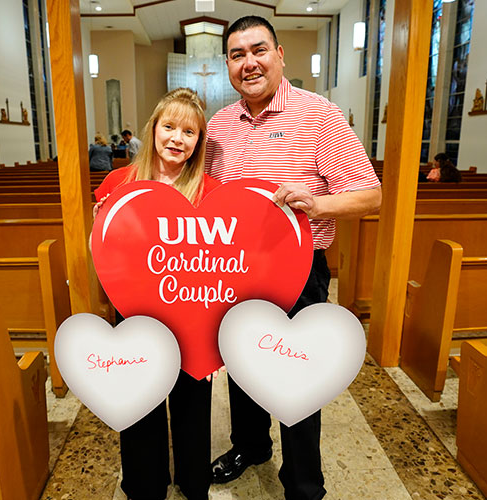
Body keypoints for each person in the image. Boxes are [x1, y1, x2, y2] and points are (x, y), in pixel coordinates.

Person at [204, 16, 382, 500]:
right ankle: (250, 446)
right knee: (240, 363)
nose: (249, 62)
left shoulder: (318, 115)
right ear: (227, 65)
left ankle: (304, 482)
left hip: (299, 268)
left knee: (295, 370)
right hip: (234, 269)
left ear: (280, 54)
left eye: (258, 50)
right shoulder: (219, 124)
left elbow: (370, 195)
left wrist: (318, 203)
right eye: (238, 55)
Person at [93, 88, 221, 500]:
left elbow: (224, 260)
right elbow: (101, 248)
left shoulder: (210, 190)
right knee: (140, 401)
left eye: (189, 131)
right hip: (136, 311)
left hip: (192, 315)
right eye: (170, 126)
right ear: (154, 129)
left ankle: (192, 479)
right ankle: (146, 485)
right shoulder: (119, 181)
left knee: (192, 402)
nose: (177, 138)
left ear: (199, 140)